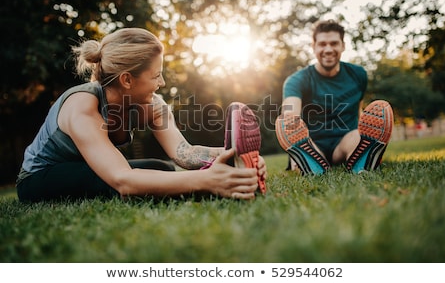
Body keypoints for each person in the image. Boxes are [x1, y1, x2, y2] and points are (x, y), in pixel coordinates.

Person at [16, 28, 267, 202]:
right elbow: (123, 180)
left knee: (163, 169)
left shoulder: (152, 105)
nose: (163, 81)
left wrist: (234, 157)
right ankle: (214, 183)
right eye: (156, 75)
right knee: (119, 184)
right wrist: (207, 181)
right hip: (42, 177)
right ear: (127, 79)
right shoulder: (82, 106)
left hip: (86, 169)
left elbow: (185, 154)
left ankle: (220, 178)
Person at [275, 19, 393, 175]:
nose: (328, 49)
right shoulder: (297, 80)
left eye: (334, 43)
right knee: (296, 134)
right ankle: (304, 158)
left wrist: (363, 133)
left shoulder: (358, 75)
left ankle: (363, 158)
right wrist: (290, 124)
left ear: (343, 46)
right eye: (322, 44)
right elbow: (290, 115)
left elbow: (358, 110)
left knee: (357, 138)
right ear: (314, 47)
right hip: (312, 142)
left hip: (345, 141)